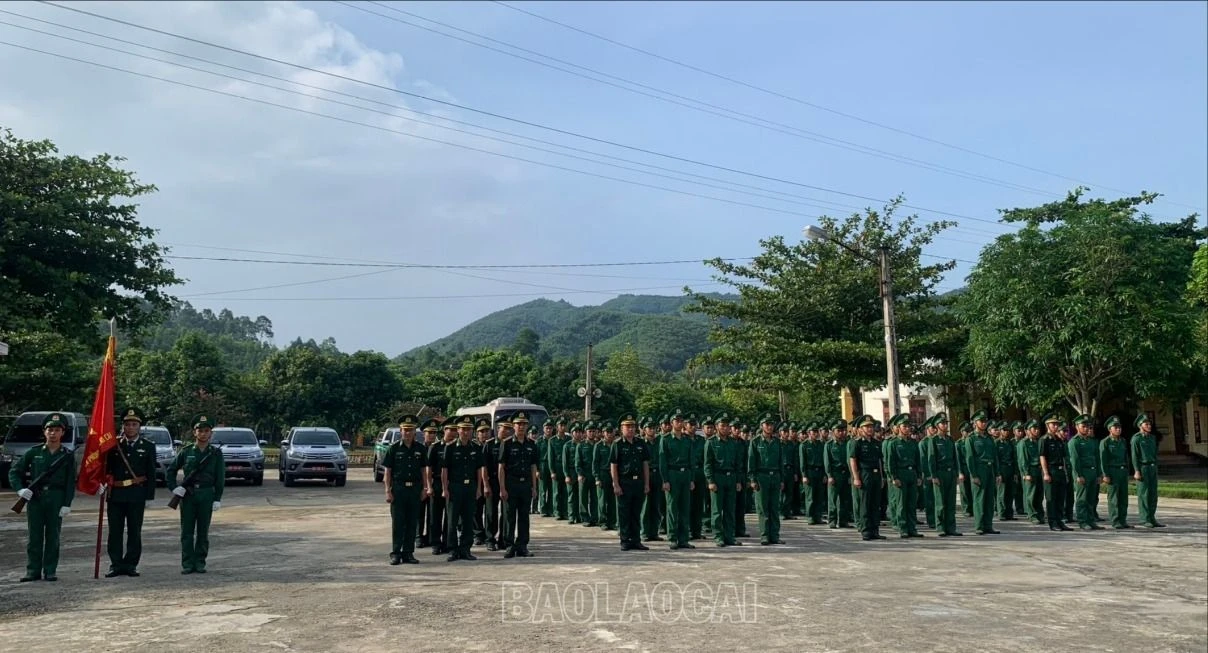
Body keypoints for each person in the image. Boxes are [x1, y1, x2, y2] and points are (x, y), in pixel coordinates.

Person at [10, 413, 76, 582]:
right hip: (36, 499)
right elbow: (14, 472)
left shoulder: (67, 455)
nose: (53, 433)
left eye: (57, 430)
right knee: (34, 537)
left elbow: (70, 482)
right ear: (44, 432)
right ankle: (33, 570)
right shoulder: (34, 452)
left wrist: (67, 503)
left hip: (56, 497)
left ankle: (50, 570)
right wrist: (20, 490)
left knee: (53, 536)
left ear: (62, 433)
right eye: (50, 430)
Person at [167, 415, 226, 574]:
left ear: (211, 434)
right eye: (200, 430)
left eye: (207, 431)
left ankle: (200, 562)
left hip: (206, 494)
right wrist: (174, 488)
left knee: (202, 531)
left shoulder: (215, 453)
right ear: (195, 432)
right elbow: (171, 471)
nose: (203, 434)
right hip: (188, 495)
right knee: (186, 531)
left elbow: (220, 478)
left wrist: (217, 498)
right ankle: (187, 563)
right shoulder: (186, 451)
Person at [106, 408, 157, 577]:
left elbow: (151, 472)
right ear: (123, 426)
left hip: (137, 494)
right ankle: (116, 564)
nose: (130, 428)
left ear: (139, 427)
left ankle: (131, 564)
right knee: (115, 531)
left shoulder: (148, 447)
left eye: (134, 424)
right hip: (117, 494)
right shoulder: (113, 445)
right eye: (127, 424)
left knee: (134, 531)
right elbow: (106, 468)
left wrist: (149, 495)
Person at [384, 415, 429, 565]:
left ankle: (408, 553)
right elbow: (388, 471)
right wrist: (387, 491)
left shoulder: (420, 449)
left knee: (412, 522)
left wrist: (425, 488)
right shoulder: (394, 448)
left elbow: (424, 470)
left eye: (410, 430)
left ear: (415, 432)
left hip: (415, 489)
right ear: (401, 431)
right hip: (399, 489)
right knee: (398, 522)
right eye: (405, 430)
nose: (407, 433)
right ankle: (396, 553)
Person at [498, 411, 540, 558]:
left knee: (524, 517)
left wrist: (534, 488)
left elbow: (533, 467)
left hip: (525, 484)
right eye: (518, 424)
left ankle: (522, 545)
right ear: (513, 426)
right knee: (510, 516)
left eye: (524, 424)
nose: (521, 427)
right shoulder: (507, 443)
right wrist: (502, 488)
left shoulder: (531, 444)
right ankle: (509, 546)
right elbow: (501, 467)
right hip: (511, 484)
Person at [610, 414, 651, 551]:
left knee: (636, 512)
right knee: (624, 513)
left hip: (638, 482)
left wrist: (646, 483)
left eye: (633, 426)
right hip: (624, 482)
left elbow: (645, 464)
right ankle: (625, 540)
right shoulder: (617, 444)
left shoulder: (641, 443)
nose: (631, 429)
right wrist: (616, 484)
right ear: (621, 428)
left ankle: (636, 540)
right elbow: (614, 465)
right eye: (627, 427)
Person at [703, 414, 742, 547]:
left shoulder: (733, 442)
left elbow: (737, 463)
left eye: (727, 426)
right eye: (722, 426)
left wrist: (737, 481)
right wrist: (710, 481)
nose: (725, 428)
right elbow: (707, 464)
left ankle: (729, 536)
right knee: (716, 510)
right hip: (717, 478)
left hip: (731, 477)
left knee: (730, 509)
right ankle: (718, 536)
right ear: (717, 427)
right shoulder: (711, 442)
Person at [659, 414, 696, 550]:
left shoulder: (687, 440)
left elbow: (692, 461)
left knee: (685, 508)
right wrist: (665, 480)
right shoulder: (666, 439)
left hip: (685, 474)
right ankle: (673, 538)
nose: (679, 423)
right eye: (677, 421)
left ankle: (684, 539)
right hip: (672, 474)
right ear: (672, 423)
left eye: (681, 421)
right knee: (672, 508)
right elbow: (662, 461)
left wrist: (692, 479)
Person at [847, 414, 885, 541]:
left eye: (871, 426)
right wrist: (856, 477)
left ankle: (875, 530)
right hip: (864, 473)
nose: (870, 429)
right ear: (861, 429)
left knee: (875, 503)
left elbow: (879, 461)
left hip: (875, 475)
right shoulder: (856, 442)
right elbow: (853, 460)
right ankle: (865, 530)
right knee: (865, 503)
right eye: (867, 427)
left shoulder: (876, 443)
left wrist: (881, 477)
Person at [923, 413, 962, 537]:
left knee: (950, 502)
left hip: (951, 473)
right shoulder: (933, 440)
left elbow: (955, 458)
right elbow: (931, 459)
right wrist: (934, 476)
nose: (945, 425)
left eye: (946, 423)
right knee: (940, 502)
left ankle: (951, 527)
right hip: (940, 473)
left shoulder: (950, 440)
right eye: (942, 423)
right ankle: (940, 527)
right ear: (937, 426)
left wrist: (957, 473)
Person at [748, 415, 784, 545]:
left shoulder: (777, 442)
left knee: (774, 507)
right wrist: (752, 479)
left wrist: (781, 479)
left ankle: (774, 535)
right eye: (766, 424)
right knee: (763, 508)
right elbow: (751, 461)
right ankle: (764, 536)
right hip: (761, 477)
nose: (769, 426)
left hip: (775, 476)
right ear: (761, 426)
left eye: (771, 424)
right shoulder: (755, 442)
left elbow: (780, 462)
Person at [1068, 414, 1103, 531]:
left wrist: (1099, 474)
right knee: (1082, 498)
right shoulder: (1074, 442)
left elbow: (1097, 458)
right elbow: (1075, 460)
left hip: (1093, 472)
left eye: (1088, 426)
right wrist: (1078, 475)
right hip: (1083, 473)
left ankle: (1091, 520)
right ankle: (1083, 521)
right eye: (1083, 426)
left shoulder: (1092, 441)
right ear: (1077, 427)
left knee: (1091, 498)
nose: (1086, 428)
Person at [1039, 414, 1073, 531]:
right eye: (1053, 424)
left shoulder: (1059, 440)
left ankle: (1060, 521)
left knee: (1060, 498)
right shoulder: (1044, 440)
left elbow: (1064, 458)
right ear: (1048, 425)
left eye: (1057, 424)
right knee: (1051, 499)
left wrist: (1065, 473)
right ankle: (1052, 522)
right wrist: (1046, 473)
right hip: (1051, 470)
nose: (1055, 426)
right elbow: (1042, 457)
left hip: (1060, 471)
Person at [1131, 414, 1166, 528]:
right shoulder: (1136, 439)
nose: (1149, 426)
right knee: (1144, 494)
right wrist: (1136, 470)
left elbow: (1155, 454)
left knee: (1153, 494)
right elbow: (1135, 456)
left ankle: (1152, 517)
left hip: (1152, 467)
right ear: (1140, 426)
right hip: (1143, 467)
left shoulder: (1152, 438)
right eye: (1146, 424)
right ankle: (1145, 518)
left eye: (1150, 424)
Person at [1099, 415, 1132, 530]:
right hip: (1112, 471)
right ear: (1110, 429)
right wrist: (1105, 474)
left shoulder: (1123, 441)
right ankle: (1116, 520)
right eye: (1115, 427)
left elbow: (1126, 457)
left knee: (1123, 498)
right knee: (1114, 498)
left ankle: (1123, 520)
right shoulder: (1105, 442)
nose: (1118, 429)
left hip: (1122, 471)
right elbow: (1103, 460)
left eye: (1119, 427)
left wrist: (1128, 471)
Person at [824, 419, 853, 529]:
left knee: (845, 499)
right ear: (834, 431)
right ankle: (832, 520)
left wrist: (851, 475)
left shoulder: (848, 443)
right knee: (832, 498)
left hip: (846, 473)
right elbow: (827, 461)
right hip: (835, 474)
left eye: (844, 430)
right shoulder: (829, 445)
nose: (842, 433)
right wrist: (829, 475)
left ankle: (843, 520)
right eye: (839, 430)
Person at [1016, 420, 1046, 525]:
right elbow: (1022, 460)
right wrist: (1026, 473)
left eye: (1038, 429)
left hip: (1039, 470)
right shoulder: (1023, 443)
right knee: (1031, 494)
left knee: (1039, 494)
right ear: (1028, 430)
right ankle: (1032, 514)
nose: (1037, 431)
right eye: (1034, 429)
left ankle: (1040, 514)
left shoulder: (1039, 442)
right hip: (1030, 470)